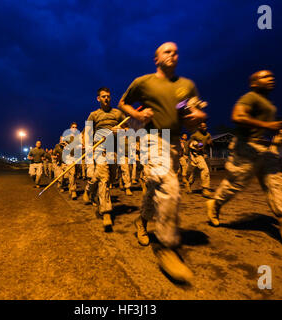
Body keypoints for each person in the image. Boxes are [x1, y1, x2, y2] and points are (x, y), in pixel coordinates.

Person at [207, 70, 282, 248]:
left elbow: (261, 127)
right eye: (264, 77)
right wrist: (268, 125)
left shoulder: (268, 103)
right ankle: (215, 204)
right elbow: (237, 116)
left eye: (271, 76)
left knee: (276, 183)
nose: (270, 78)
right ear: (254, 83)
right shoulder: (250, 97)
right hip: (246, 148)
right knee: (236, 184)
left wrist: (278, 133)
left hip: (265, 148)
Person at [118, 42, 206, 283]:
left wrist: (197, 117)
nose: (172, 55)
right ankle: (166, 247)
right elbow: (122, 103)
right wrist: (136, 114)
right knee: (169, 188)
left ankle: (141, 221)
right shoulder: (143, 82)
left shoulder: (187, 86)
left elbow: (193, 114)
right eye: (167, 51)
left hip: (175, 143)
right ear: (156, 59)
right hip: (153, 139)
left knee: (154, 188)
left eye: (176, 51)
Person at [84, 87, 126, 229]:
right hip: (99, 149)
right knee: (104, 179)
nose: (106, 98)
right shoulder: (94, 115)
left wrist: (121, 130)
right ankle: (106, 211)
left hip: (113, 150)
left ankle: (90, 190)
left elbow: (127, 128)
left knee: (111, 179)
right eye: (103, 96)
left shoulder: (117, 113)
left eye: (108, 96)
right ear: (98, 98)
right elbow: (87, 135)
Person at [185, 122, 212, 197]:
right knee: (194, 173)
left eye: (205, 127)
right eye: (202, 127)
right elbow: (188, 144)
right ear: (199, 127)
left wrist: (210, 143)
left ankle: (205, 188)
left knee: (204, 170)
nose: (204, 128)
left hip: (201, 155)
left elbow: (209, 143)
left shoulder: (208, 135)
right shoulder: (194, 135)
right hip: (194, 155)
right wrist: (186, 154)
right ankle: (188, 184)